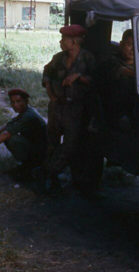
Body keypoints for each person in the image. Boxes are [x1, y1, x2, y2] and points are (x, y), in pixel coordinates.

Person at [41, 24, 95, 191]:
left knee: (71, 144)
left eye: (64, 39)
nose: (61, 41)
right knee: (52, 142)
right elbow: (46, 73)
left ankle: (51, 171)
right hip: (57, 106)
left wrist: (78, 76)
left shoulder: (88, 58)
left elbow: (97, 82)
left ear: (74, 42)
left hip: (75, 109)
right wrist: (50, 93)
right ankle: (52, 179)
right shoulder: (58, 58)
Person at [0, 88, 47, 178]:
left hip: (42, 153)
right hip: (38, 148)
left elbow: (6, 134)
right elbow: (9, 124)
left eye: (18, 101)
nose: (15, 105)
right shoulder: (27, 111)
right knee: (6, 136)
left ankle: (30, 165)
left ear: (26, 101)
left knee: (10, 138)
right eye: (12, 102)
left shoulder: (28, 116)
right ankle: (28, 164)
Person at [102, 29, 136, 128]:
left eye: (136, 45)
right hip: (117, 112)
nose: (133, 49)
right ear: (121, 44)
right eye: (129, 45)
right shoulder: (112, 61)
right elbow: (123, 71)